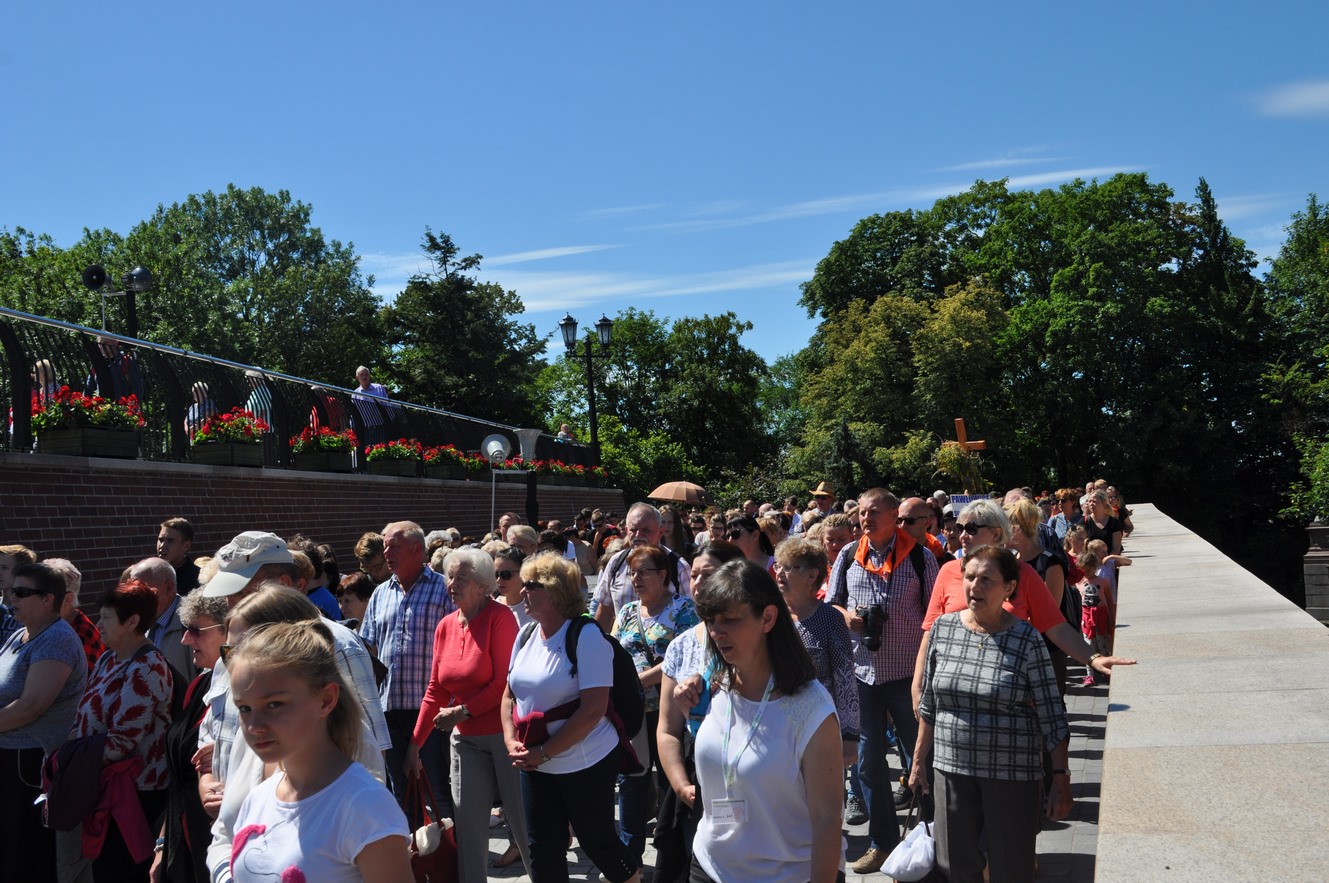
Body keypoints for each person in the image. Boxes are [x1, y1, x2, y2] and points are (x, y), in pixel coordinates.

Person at [910, 545, 1072, 883]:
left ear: (1009, 587)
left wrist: (1060, 777)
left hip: (1011, 774)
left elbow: (1052, 713)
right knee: (953, 863)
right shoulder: (943, 629)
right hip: (951, 770)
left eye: (987, 579)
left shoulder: (1026, 639)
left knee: (1011, 866)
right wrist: (918, 762)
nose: (975, 586)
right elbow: (929, 705)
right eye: (969, 577)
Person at [689, 559, 844, 882]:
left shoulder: (810, 708)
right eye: (711, 620)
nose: (717, 632)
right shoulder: (716, 686)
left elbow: (828, 820)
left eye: (730, 620)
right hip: (710, 867)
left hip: (788, 875)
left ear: (768, 618)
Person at [226, 620, 412, 883]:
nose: (255, 726)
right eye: (244, 708)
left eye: (274, 704)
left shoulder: (364, 805)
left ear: (326, 700)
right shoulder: (258, 798)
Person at [501, 553, 641, 883]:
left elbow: (593, 709)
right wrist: (511, 740)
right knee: (542, 848)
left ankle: (632, 877)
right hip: (535, 764)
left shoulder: (586, 635)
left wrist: (545, 751)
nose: (522, 591)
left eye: (531, 585)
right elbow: (509, 695)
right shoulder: (526, 634)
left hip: (585, 761)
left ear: (555, 590)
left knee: (598, 842)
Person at [829, 488, 939, 874]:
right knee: (867, 764)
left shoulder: (921, 558)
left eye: (874, 512)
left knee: (920, 759)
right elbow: (832, 603)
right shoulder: (848, 554)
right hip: (862, 676)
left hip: (907, 676)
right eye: (862, 512)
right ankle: (883, 843)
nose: (866, 518)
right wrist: (846, 617)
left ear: (894, 516)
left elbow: (935, 616)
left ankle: (933, 837)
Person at [407, 546, 530, 881]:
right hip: (465, 742)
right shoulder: (445, 626)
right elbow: (435, 689)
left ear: (482, 584)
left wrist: (462, 712)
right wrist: (416, 744)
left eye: (461, 577)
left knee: (523, 825)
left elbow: (503, 682)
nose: (452, 583)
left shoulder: (501, 618)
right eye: (450, 576)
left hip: (507, 738)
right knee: (469, 829)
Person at [654, 540, 749, 883]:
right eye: (693, 575)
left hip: (747, 775)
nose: (697, 583)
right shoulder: (681, 646)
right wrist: (681, 785)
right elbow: (667, 729)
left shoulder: (756, 641)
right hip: (696, 773)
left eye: (707, 574)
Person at [69, 578, 174, 880]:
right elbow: (84, 712)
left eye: (106, 618)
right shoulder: (108, 657)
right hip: (104, 784)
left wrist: (73, 762)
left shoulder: (147, 666)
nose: (98, 624)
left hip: (135, 792)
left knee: (121, 872)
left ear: (132, 622)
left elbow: (123, 742)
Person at [610, 545, 700, 871]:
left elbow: (685, 656)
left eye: (643, 572)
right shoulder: (627, 612)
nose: (636, 578)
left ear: (663, 575)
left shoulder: (684, 610)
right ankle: (629, 862)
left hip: (669, 712)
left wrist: (641, 680)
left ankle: (672, 859)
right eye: (632, 573)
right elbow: (614, 651)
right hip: (632, 712)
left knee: (668, 783)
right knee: (632, 782)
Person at [357, 521, 455, 818]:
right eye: (385, 546)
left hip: (432, 710)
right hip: (390, 710)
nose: (386, 552)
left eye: (394, 546)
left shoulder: (443, 589)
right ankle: (412, 846)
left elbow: (457, 644)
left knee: (439, 789)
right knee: (402, 791)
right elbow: (369, 647)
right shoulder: (380, 593)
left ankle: (452, 846)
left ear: (416, 549)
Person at [0, 563, 87, 883]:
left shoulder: (57, 639)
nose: (12, 598)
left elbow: (31, 707)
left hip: (29, 763)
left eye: (22, 592)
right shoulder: (19, 635)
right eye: (12, 591)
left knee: (26, 856)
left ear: (48, 599)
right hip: (9, 759)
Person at [154, 591, 228, 883]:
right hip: (185, 839)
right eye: (185, 629)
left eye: (196, 630)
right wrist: (162, 844)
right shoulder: (199, 685)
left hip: (221, 841)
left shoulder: (247, 690)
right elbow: (177, 777)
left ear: (229, 629)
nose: (185, 640)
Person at [773, 538, 858, 768]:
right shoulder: (769, 615)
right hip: (775, 725)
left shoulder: (830, 619)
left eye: (788, 567)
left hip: (819, 725)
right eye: (778, 565)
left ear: (812, 576)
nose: (779, 572)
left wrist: (849, 736)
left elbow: (845, 681)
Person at [592, 502, 692, 632]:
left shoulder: (678, 566)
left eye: (646, 530)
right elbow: (605, 610)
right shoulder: (616, 562)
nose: (638, 535)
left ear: (660, 532)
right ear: (626, 531)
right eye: (633, 530)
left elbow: (692, 614)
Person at [157, 518, 201, 595]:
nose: (162, 546)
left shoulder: (199, 579)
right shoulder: (151, 576)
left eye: (170, 541)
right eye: (161, 540)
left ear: (186, 546)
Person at [351, 365, 392, 447]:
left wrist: (390, 423)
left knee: (381, 451)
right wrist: (352, 427)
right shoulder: (355, 393)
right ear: (357, 378)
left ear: (369, 376)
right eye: (361, 375)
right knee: (366, 451)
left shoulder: (379, 388)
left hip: (380, 426)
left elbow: (388, 406)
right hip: (365, 428)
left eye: (366, 374)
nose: (364, 377)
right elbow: (354, 413)